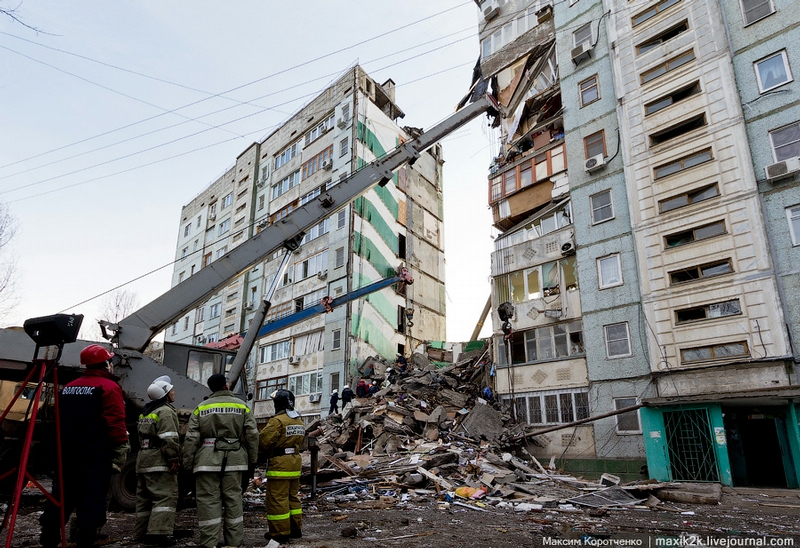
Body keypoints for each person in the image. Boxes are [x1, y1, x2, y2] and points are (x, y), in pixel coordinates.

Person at [40, 344, 130, 548]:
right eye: (110, 361)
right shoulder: (108, 387)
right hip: (94, 455)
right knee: (91, 497)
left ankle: (49, 538)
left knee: (62, 495)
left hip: (67, 453)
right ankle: (86, 539)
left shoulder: (69, 387)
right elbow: (115, 421)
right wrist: (120, 445)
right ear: (106, 364)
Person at [183, 374, 259, 548]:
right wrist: (252, 460)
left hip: (206, 461)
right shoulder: (242, 406)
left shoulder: (201, 408)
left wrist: (187, 463)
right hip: (235, 460)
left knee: (208, 501)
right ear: (226, 385)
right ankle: (234, 542)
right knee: (233, 500)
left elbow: (191, 438)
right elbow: (252, 436)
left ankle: (209, 542)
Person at [134, 377, 181, 546]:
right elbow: (169, 439)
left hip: (143, 459)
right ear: (165, 395)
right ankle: (158, 534)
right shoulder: (166, 412)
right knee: (164, 498)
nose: (174, 393)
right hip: (159, 460)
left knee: (144, 499)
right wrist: (174, 458)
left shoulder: (145, 411)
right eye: (171, 391)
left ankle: (141, 532)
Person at [259, 389, 306, 543]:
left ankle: (280, 532)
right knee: (292, 497)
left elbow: (264, 442)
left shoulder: (277, 421)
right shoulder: (298, 420)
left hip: (280, 465)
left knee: (277, 499)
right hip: (294, 463)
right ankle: (295, 529)